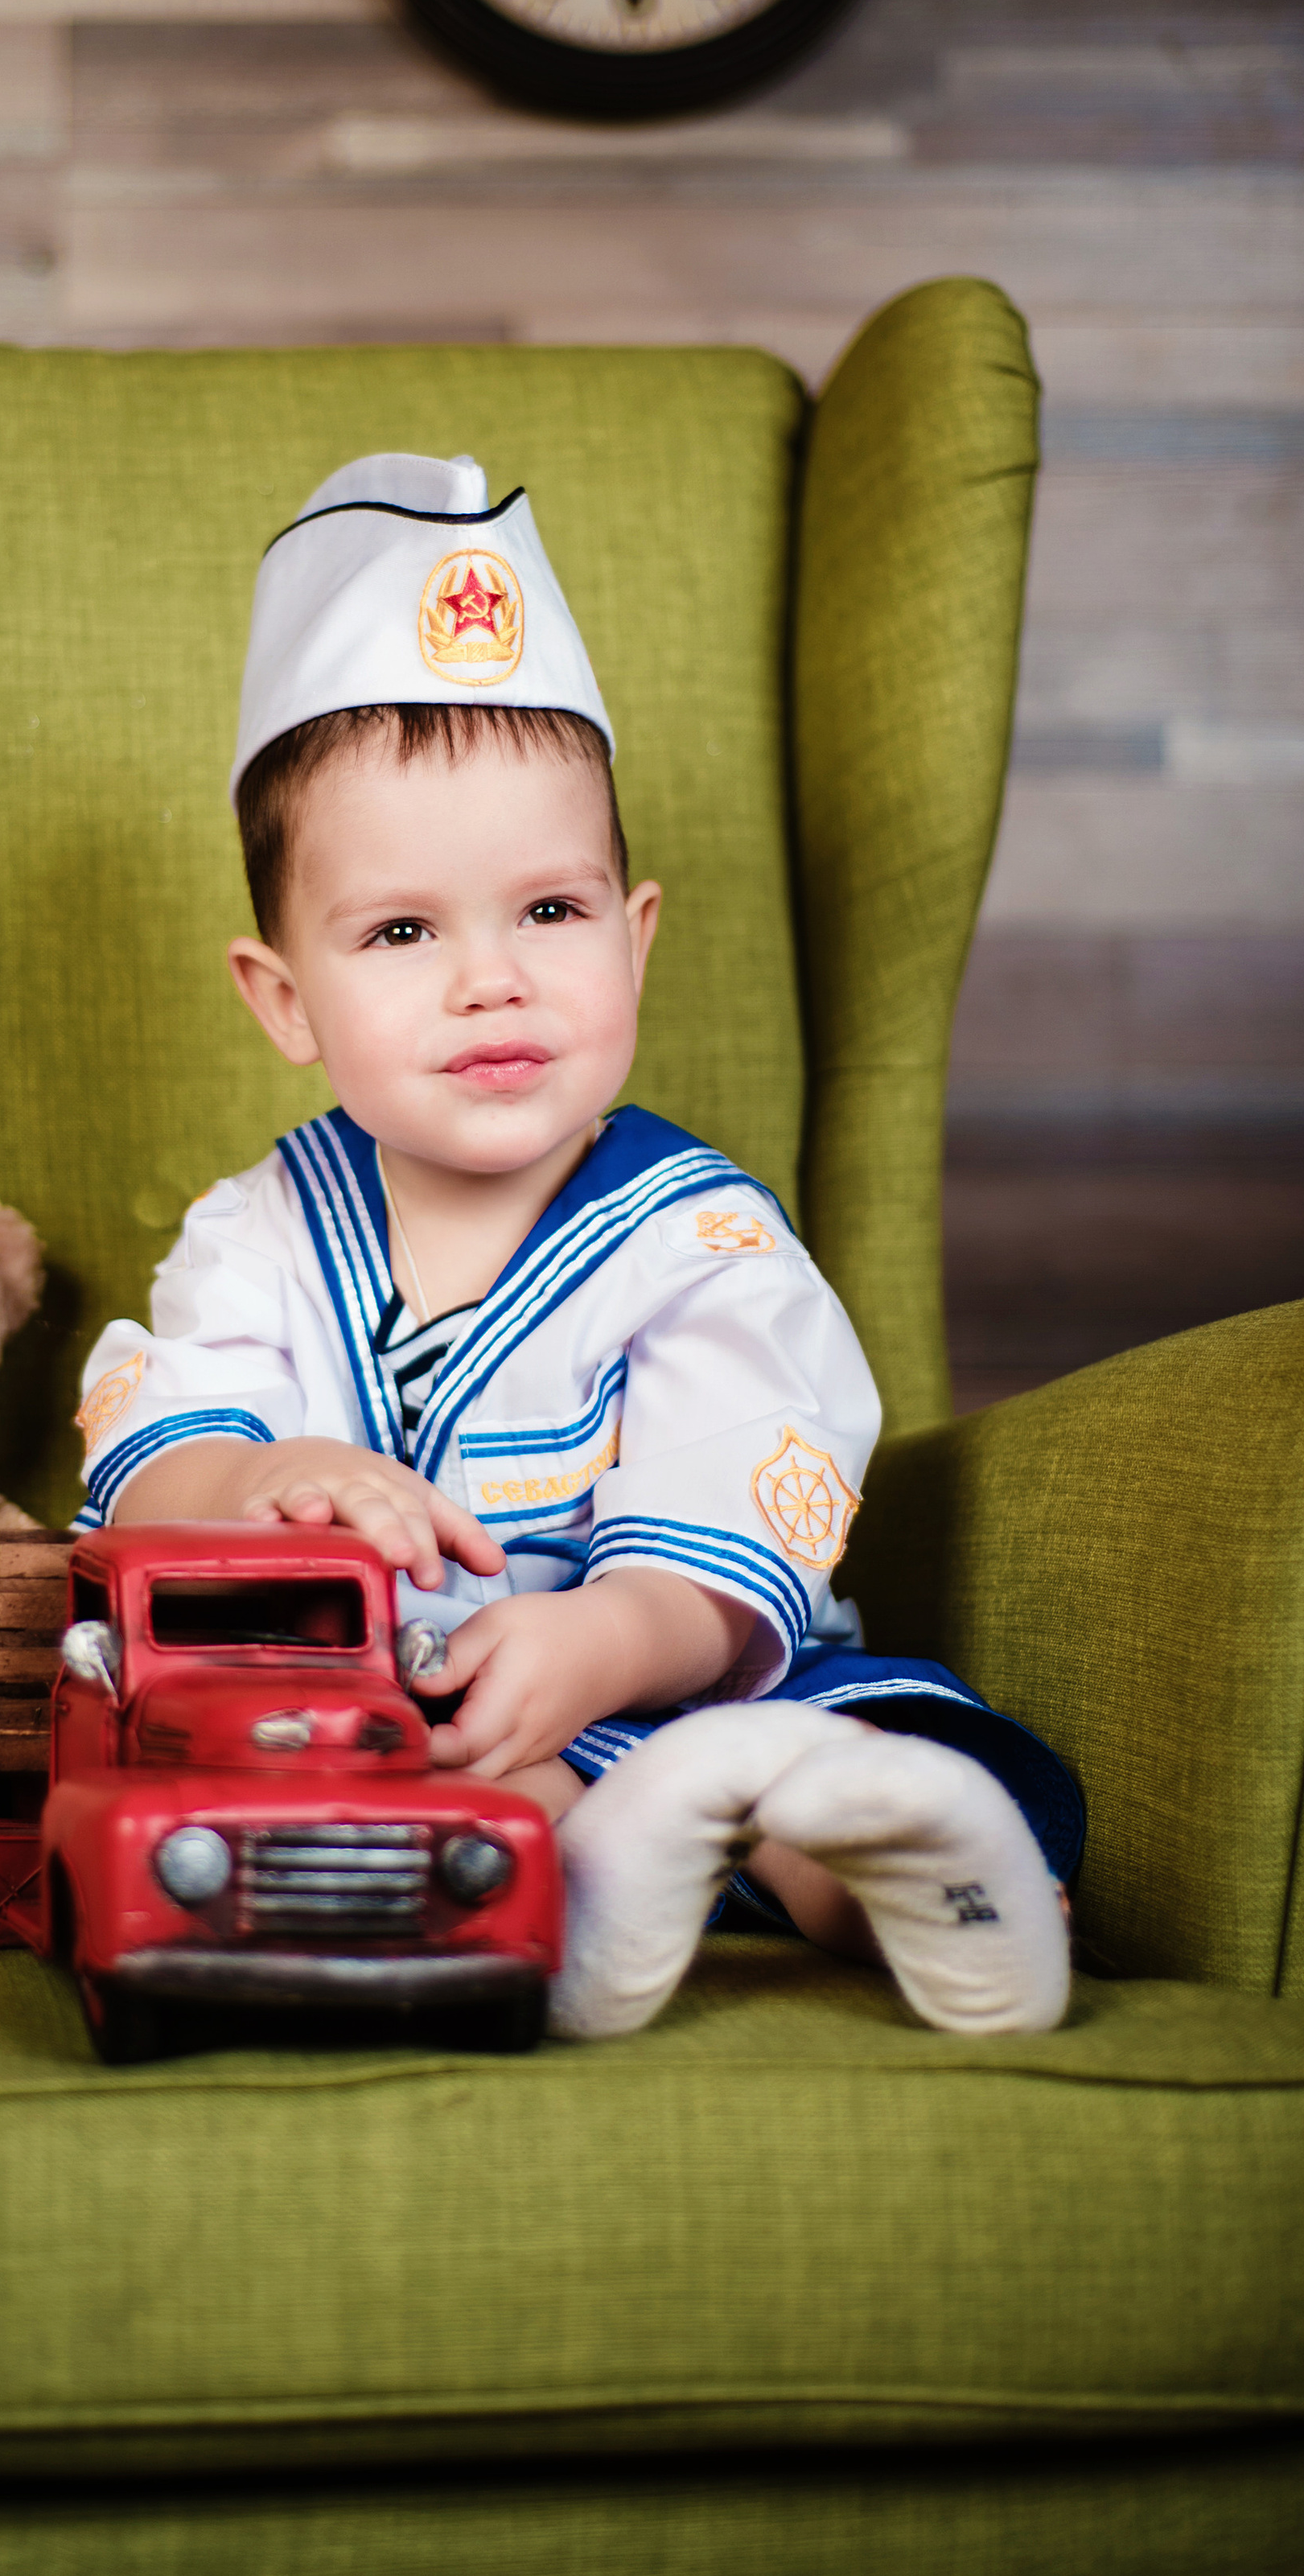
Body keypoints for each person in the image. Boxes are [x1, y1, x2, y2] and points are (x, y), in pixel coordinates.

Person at [72, 452, 1078, 2038]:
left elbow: (743, 1493)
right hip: (379, 1730)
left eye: (548, 911)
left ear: (634, 933)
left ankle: (912, 1886)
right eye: (402, 933)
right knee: (357, 1800)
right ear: (283, 1000)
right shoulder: (254, 1237)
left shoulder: (698, 1237)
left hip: (683, 1691)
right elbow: (155, 1449)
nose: (492, 981)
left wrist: (604, 1643)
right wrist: (253, 1485)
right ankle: (596, 1883)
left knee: (857, 1760)